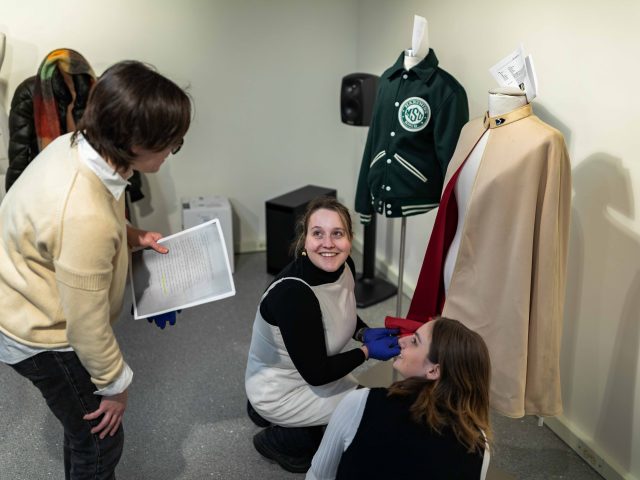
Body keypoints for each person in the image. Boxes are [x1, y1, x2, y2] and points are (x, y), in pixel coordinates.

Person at [0, 60, 191, 479]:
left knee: (82, 429)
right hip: (38, 331)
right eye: (171, 143)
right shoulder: (83, 215)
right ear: (134, 141)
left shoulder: (77, 145)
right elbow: (85, 328)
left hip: (23, 293)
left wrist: (132, 236)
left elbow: (82, 221)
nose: (173, 151)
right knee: (99, 438)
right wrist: (116, 386)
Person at [245, 196, 400, 473]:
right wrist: (366, 352)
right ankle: (281, 438)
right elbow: (317, 374)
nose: (328, 244)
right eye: (318, 233)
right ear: (305, 239)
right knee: (364, 411)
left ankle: (278, 418)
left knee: (359, 404)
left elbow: (341, 312)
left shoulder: (344, 267)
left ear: (350, 238)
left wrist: (363, 333)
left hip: (302, 369)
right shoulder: (295, 294)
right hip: (283, 388)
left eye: (337, 234)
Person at [307, 317, 492, 480]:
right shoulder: (478, 445)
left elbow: (319, 475)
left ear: (434, 370)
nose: (402, 340)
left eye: (414, 341)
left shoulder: (360, 403)